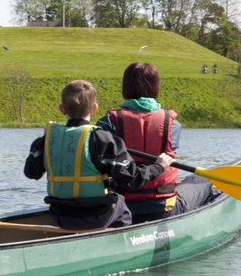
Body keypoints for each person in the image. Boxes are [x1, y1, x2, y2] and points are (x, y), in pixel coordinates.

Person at [24, 80, 173, 229]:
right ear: (94, 109)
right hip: (95, 216)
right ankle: (123, 244)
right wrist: (159, 166)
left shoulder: (46, 140)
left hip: (59, 215)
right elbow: (132, 180)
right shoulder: (102, 139)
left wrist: (44, 142)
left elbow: (31, 173)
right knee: (120, 202)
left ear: (62, 109)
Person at [95, 62, 213, 223]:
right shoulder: (172, 124)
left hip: (122, 207)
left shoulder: (107, 122)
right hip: (162, 206)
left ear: (125, 87)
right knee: (202, 180)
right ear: (155, 87)